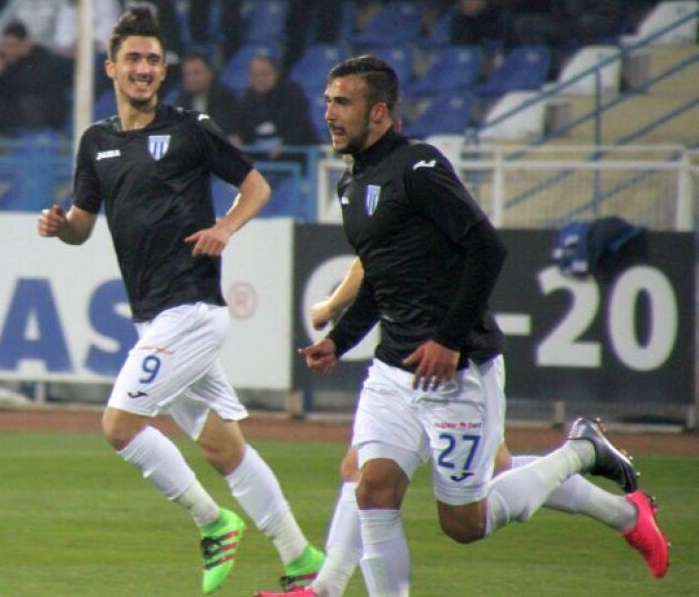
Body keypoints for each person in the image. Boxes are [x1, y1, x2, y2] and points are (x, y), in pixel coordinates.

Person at [255, 55, 667, 596]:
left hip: (456, 371)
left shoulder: (419, 167)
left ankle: (582, 452)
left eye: (342, 102)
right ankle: (327, 588)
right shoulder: (353, 185)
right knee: (371, 488)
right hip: (394, 369)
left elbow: (487, 248)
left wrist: (448, 339)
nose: (329, 112)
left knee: (464, 523)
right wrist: (339, 340)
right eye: (327, 100)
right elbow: (382, 278)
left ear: (379, 113)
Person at [37, 6, 325, 594]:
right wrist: (58, 224)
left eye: (153, 60)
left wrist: (226, 227)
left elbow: (257, 184)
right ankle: (302, 560)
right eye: (133, 60)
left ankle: (212, 522)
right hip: (154, 318)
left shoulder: (190, 128)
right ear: (111, 67)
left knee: (119, 426)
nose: (143, 69)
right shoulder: (96, 142)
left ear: (163, 70)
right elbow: (82, 227)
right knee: (225, 449)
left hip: (192, 309)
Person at [255, 255, 672, 597]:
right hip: (407, 363)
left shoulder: (401, 180)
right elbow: (371, 261)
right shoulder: (373, 180)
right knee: (368, 473)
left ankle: (587, 457)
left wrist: (330, 308)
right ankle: (327, 586)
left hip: (451, 364)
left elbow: (373, 265)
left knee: (472, 507)